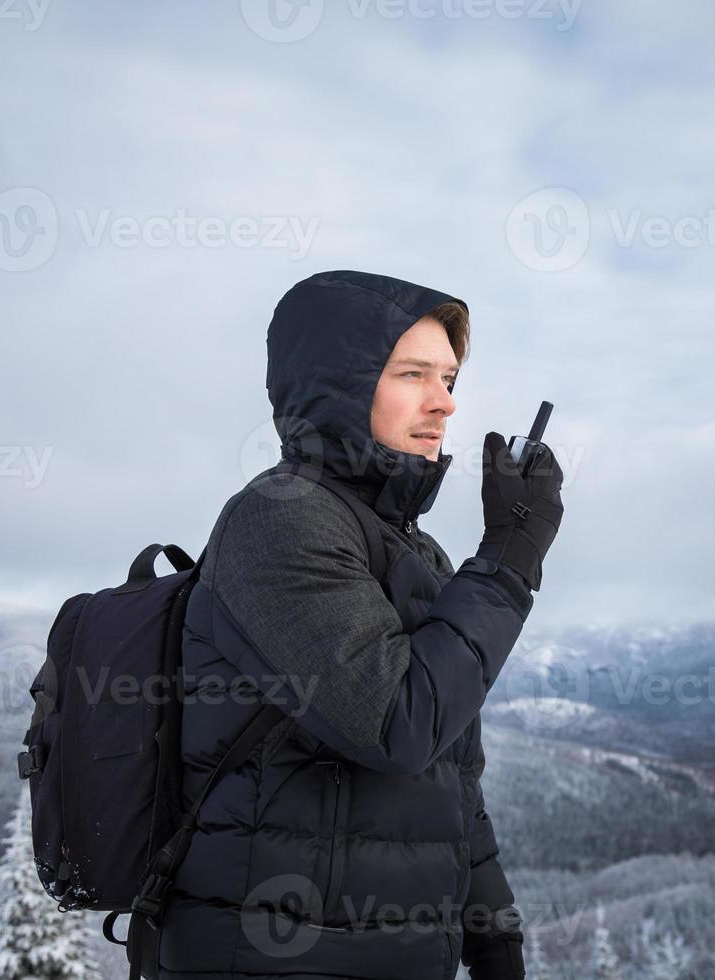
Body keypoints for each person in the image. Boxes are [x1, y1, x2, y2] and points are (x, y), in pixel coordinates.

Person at [156, 270, 563, 979]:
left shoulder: (414, 547)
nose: (445, 403)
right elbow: (399, 724)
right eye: (413, 374)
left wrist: (493, 934)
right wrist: (508, 557)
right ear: (336, 386)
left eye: (450, 377)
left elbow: (451, 772)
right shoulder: (279, 519)